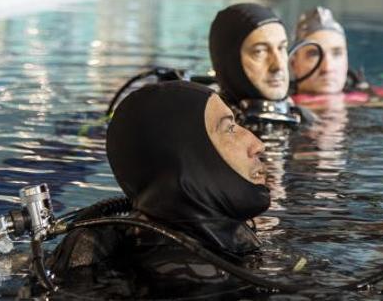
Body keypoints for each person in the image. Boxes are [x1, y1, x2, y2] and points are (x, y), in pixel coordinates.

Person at [46, 81, 270, 298]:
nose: (257, 144)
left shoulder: (216, 237)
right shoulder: (187, 279)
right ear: (186, 159)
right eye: (229, 128)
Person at [210, 3, 310, 130]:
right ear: (230, 63)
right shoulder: (208, 128)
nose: (278, 66)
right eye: (260, 51)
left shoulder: (305, 120)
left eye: (281, 48)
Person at [289, 6, 383, 108]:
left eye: (337, 53)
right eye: (314, 54)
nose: (328, 68)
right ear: (294, 64)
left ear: (346, 60)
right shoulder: (284, 105)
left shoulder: (368, 94)